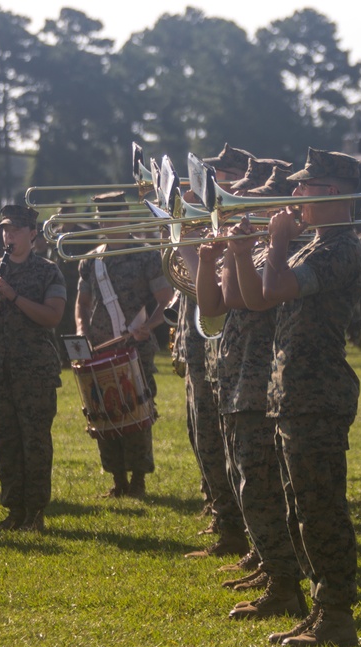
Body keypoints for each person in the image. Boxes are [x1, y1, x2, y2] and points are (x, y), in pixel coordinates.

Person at [236, 147, 361, 647]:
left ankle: (337, 614)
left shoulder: (340, 249)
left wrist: (274, 241)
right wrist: (238, 248)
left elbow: (277, 286)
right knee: (300, 509)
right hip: (294, 392)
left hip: (319, 393)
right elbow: (257, 296)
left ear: (331, 193)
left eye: (303, 187)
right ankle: (321, 608)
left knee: (321, 508)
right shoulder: (315, 244)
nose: (294, 195)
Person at [196, 163, 307, 619]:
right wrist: (207, 261)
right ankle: (271, 565)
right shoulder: (257, 253)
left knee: (263, 484)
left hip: (264, 382)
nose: (241, 217)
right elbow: (215, 306)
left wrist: (244, 253)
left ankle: (285, 580)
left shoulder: (290, 252)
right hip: (238, 376)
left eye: (252, 207)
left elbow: (256, 299)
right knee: (250, 481)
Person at [178, 144, 255, 559]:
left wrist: (185, 243)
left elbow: (216, 296)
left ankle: (239, 532)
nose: (211, 186)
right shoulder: (216, 226)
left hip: (236, 358)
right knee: (207, 439)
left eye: (221, 177)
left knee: (230, 449)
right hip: (208, 351)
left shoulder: (241, 233)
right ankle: (227, 521)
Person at [0, 205, 66, 532]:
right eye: (5, 230)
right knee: (5, 441)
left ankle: (35, 513)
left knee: (34, 442)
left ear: (32, 234)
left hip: (34, 371)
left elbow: (52, 317)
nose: (8, 236)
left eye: (15, 230)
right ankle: (14, 510)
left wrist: (12, 297)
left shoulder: (48, 271)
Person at [76, 194, 174, 498]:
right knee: (103, 411)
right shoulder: (91, 259)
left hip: (134, 346)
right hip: (100, 347)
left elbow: (165, 299)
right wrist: (81, 331)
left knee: (136, 410)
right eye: (100, 215)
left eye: (111, 215)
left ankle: (138, 481)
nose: (105, 221)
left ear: (125, 216)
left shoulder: (145, 255)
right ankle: (117, 479)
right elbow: (82, 302)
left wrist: (150, 326)